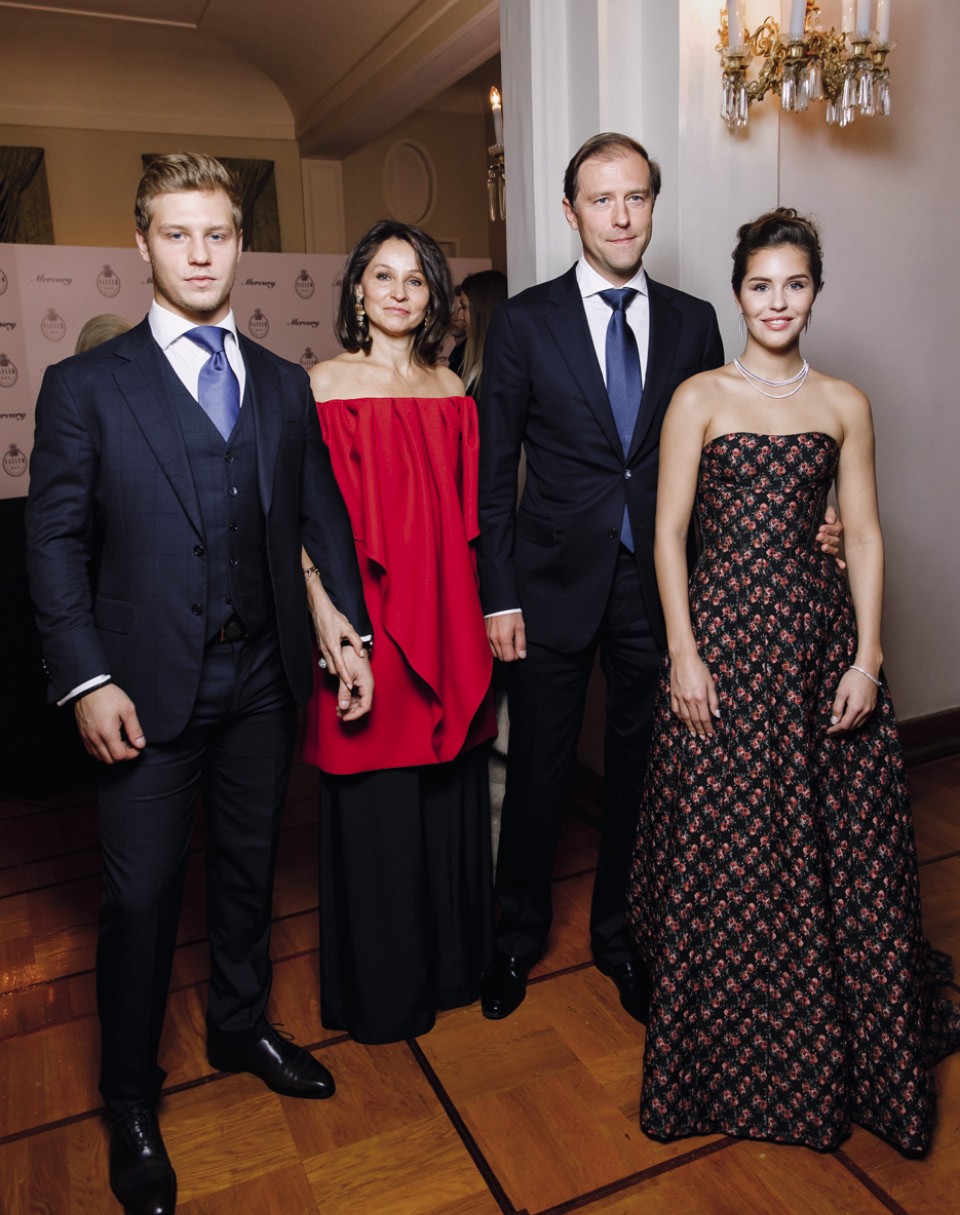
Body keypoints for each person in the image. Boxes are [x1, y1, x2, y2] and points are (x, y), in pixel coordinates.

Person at [25, 153, 372, 1215]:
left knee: (248, 869)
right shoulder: (86, 386)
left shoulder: (282, 382)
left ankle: (238, 1024)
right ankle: (129, 1097)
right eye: (177, 234)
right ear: (143, 245)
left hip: (263, 677)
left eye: (217, 233)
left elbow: (315, 515)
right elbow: (54, 542)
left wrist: (345, 629)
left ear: (241, 242)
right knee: (137, 900)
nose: (200, 253)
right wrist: (86, 677)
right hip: (141, 687)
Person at [477, 133, 842, 1024]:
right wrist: (500, 592)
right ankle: (516, 935)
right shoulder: (523, 321)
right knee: (539, 769)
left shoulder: (692, 320)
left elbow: (727, 452)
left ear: (652, 206)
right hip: (550, 585)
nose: (621, 215)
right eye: (601, 199)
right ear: (571, 212)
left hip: (664, 585)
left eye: (635, 197)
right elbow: (492, 470)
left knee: (644, 774)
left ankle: (622, 935)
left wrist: (810, 513)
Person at [627, 208, 960, 1152]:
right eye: (761, 285)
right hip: (726, 644)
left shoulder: (846, 402)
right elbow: (667, 536)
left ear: (816, 292)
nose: (778, 301)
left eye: (796, 284)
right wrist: (683, 652)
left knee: (828, 847)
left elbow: (865, 535)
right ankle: (728, 1058)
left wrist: (868, 656)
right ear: (738, 294)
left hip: (818, 644)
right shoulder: (698, 397)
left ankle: (832, 1041)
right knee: (728, 849)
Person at [300, 219, 496, 1044]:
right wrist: (328, 616)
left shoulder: (452, 392)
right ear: (357, 289)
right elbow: (302, 521)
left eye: (415, 279)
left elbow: (472, 522)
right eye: (383, 275)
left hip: (447, 611)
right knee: (374, 801)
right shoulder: (320, 385)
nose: (399, 292)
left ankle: (453, 970)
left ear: (433, 297)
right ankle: (384, 995)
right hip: (364, 617)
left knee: (448, 790)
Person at [459, 269, 507, 398]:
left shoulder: (501, 369)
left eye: (464, 307)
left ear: (481, 309)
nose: (460, 316)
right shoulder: (472, 361)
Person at [445, 283, 468, 376]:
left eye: (463, 309)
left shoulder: (470, 353)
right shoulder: (457, 351)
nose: (457, 317)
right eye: (453, 310)